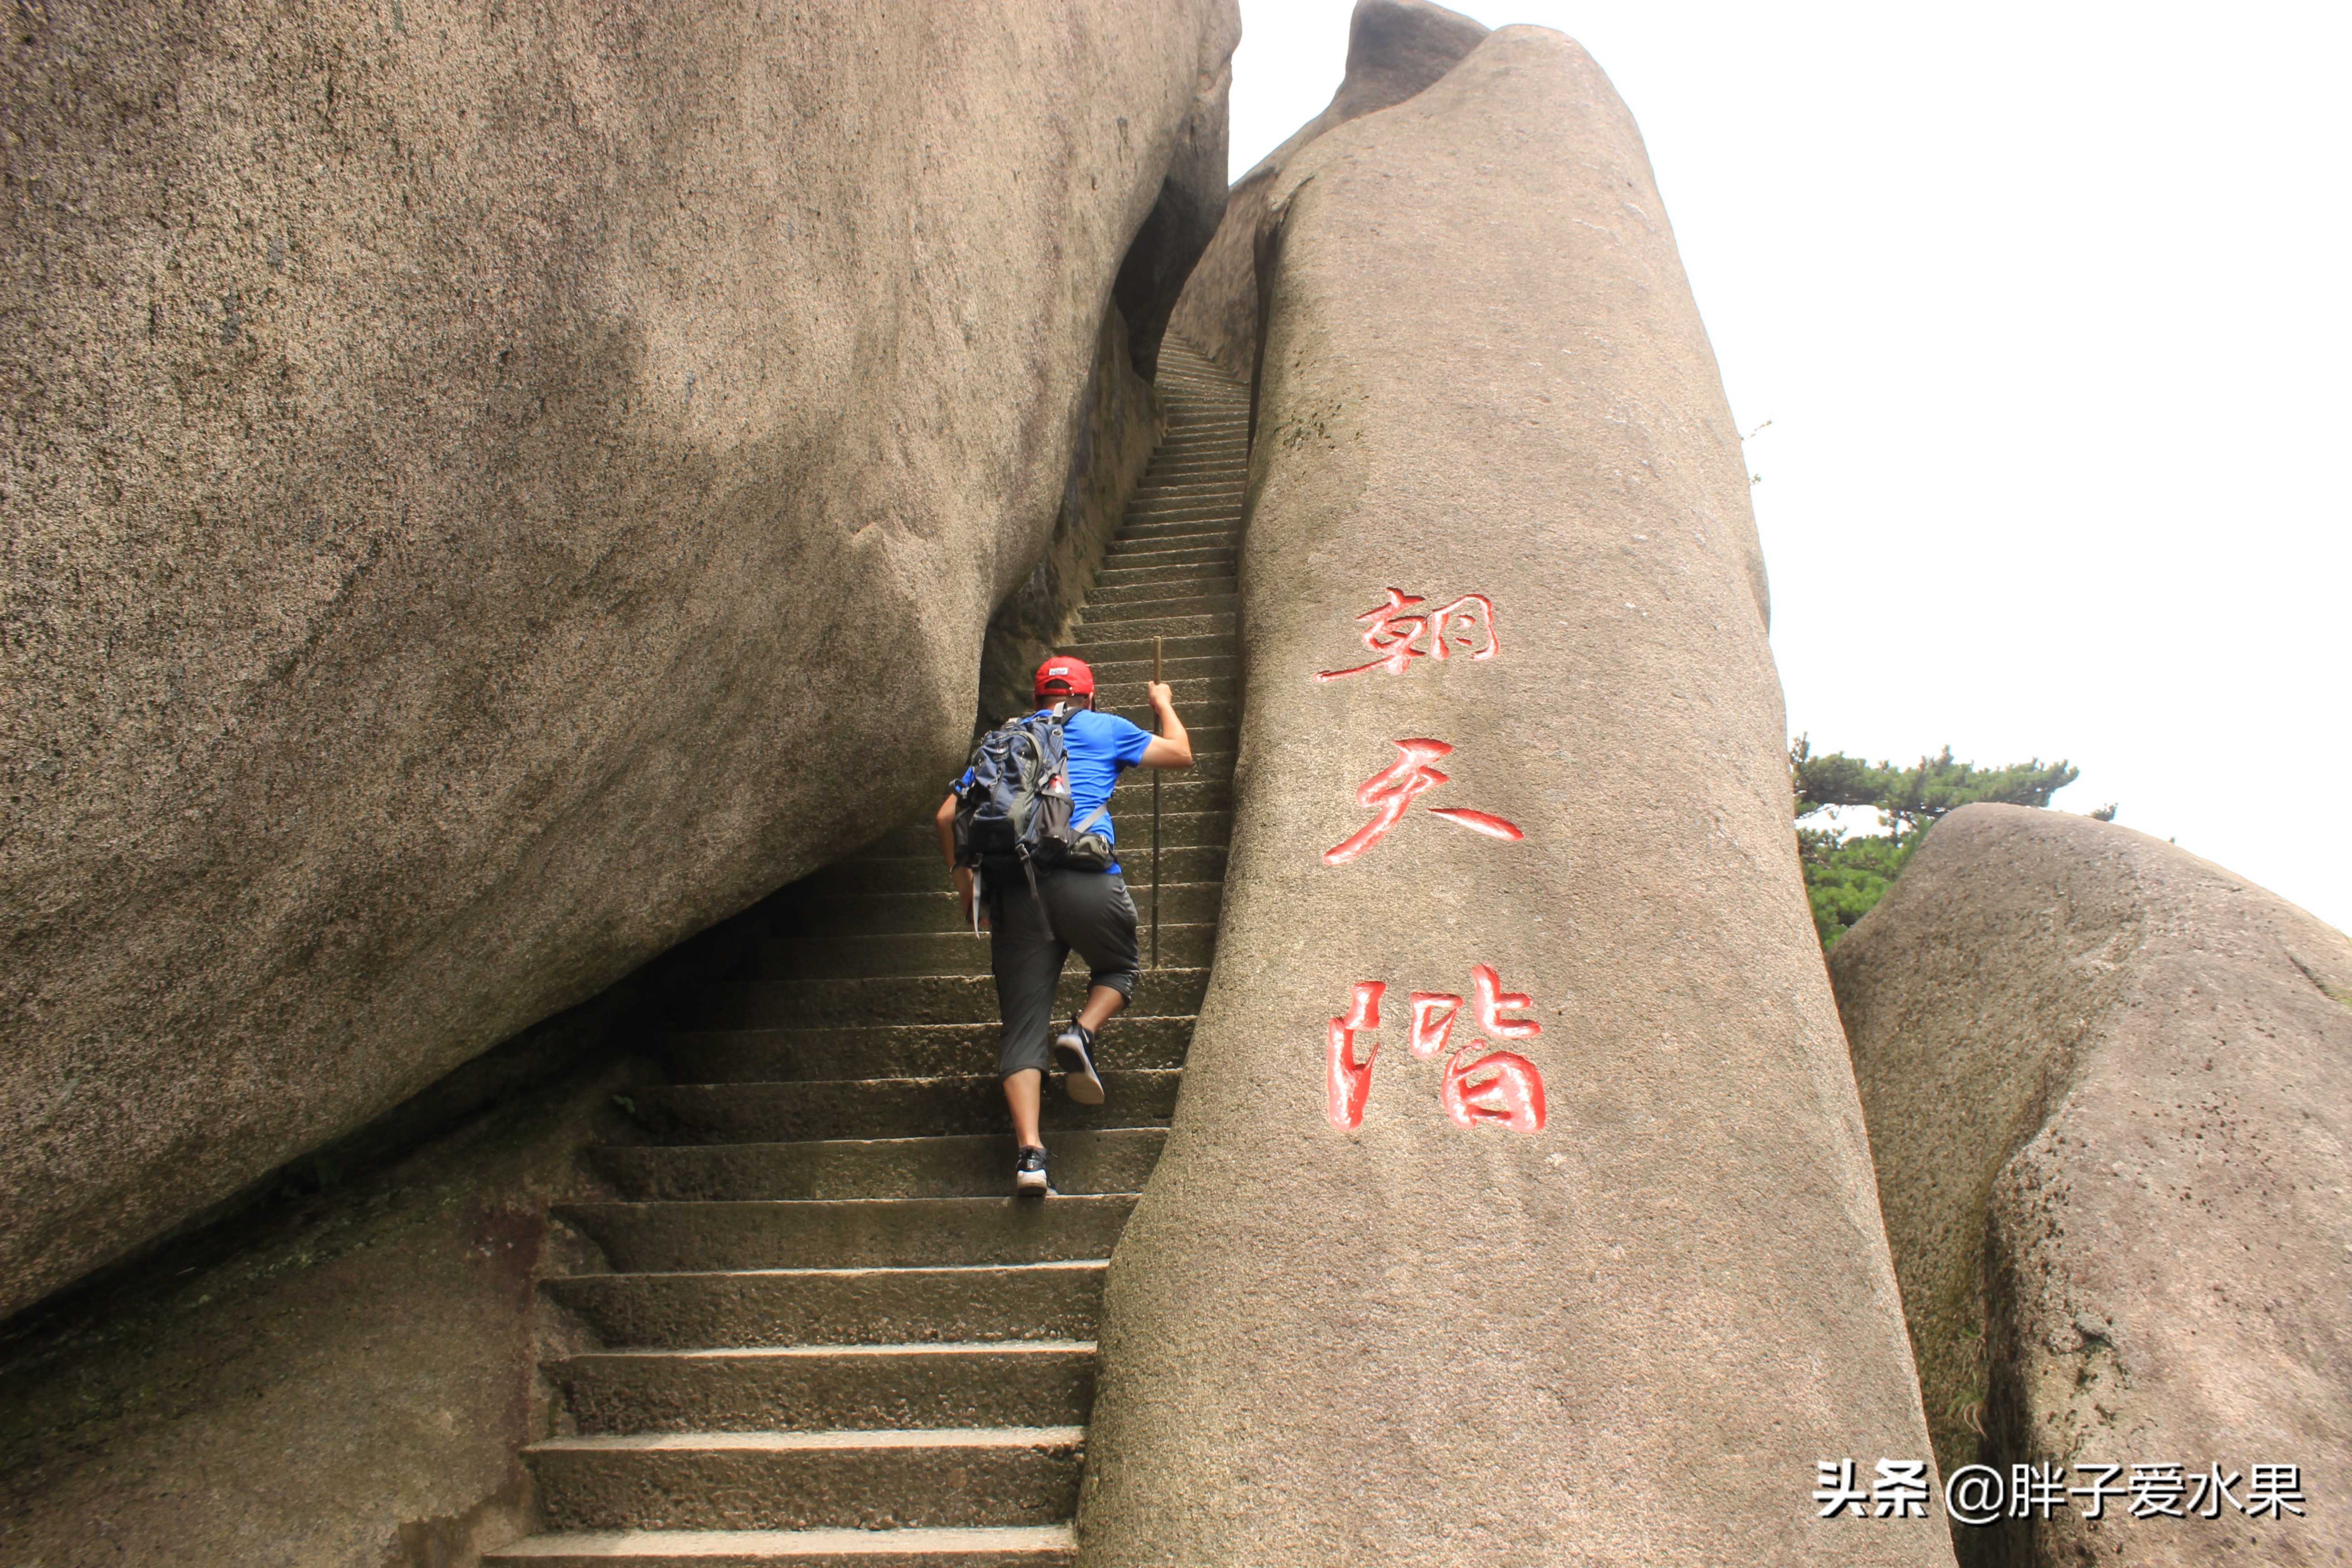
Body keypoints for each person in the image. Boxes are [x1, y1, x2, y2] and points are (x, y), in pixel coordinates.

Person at [936, 655, 1192, 1194]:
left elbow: (946, 816)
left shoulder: (1005, 740)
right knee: (1119, 969)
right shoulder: (1106, 727)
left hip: (1015, 891)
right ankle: (1081, 1031)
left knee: (1021, 1026)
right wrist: (1163, 703)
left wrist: (968, 895)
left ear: (1037, 700)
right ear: (1089, 696)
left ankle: (1030, 1158)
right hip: (1086, 880)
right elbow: (1180, 754)